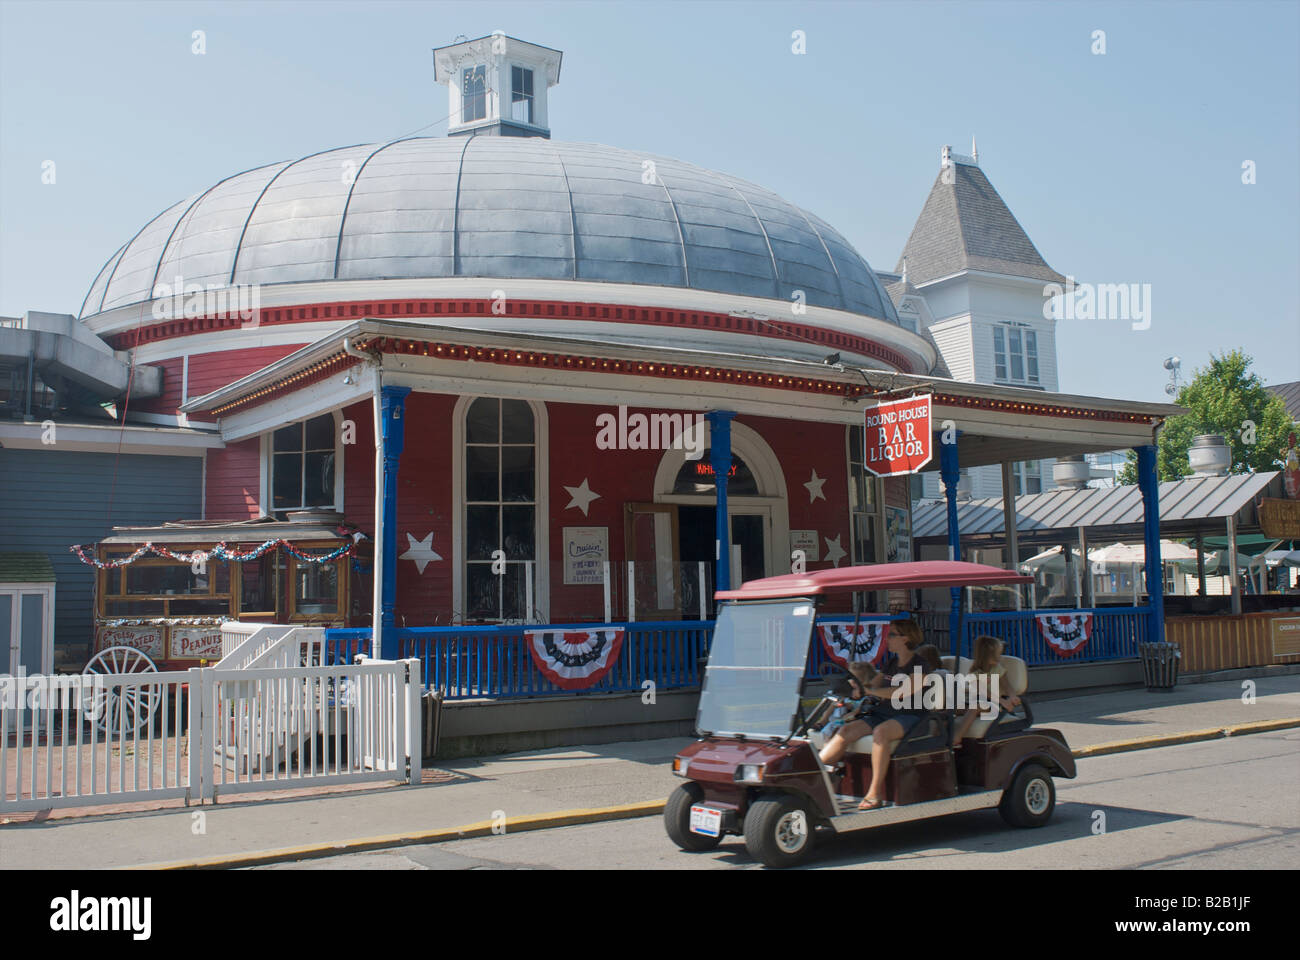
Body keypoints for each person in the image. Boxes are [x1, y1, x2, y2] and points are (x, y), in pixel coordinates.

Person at [817, 620, 932, 810]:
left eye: (892, 635)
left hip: (912, 715)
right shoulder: (892, 663)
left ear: (906, 638)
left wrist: (870, 692)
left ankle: (874, 793)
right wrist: (857, 688)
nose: (887, 639)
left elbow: (900, 692)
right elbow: (874, 684)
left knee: (881, 733)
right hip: (885, 712)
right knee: (846, 730)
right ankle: (812, 773)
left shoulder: (921, 665)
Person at [951, 635, 1022, 747]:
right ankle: (941, 734)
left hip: (994, 704)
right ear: (987, 656)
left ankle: (956, 738)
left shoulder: (998, 669)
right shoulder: (974, 672)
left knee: (975, 708)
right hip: (977, 702)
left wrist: (1012, 696)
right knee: (952, 708)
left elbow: (1007, 685)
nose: (1000, 657)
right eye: (997, 654)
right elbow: (980, 689)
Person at [820, 661, 874, 739]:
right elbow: (849, 704)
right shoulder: (848, 693)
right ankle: (822, 721)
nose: (851, 683)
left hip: (854, 719)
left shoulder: (867, 698)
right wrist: (843, 705)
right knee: (835, 703)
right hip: (842, 718)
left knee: (835, 729)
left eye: (855, 681)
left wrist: (842, 719)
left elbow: (857, 712)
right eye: (850, 679)